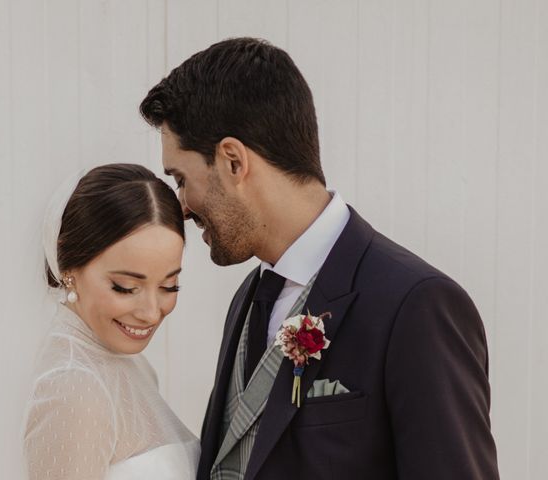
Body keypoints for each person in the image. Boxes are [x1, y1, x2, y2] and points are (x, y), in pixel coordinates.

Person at [140, 38, 499, 479]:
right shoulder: (248, 299)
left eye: (181, 178)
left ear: (233, 161)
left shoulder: (416, 305)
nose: (183, 206)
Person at [23, 164, 200, 479]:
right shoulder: (73, 385)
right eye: (125, 287)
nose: (149, 312)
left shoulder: (127, 364)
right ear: (69, 270)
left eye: (168, 286)